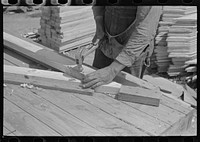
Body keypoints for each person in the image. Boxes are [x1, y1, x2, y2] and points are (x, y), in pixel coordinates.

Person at [81, 6, 162, 89]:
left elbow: (144, 31)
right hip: (106, 43)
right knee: (93, 86)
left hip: (132, 53)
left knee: (123, 93)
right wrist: (99, 26)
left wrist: (112, 70)